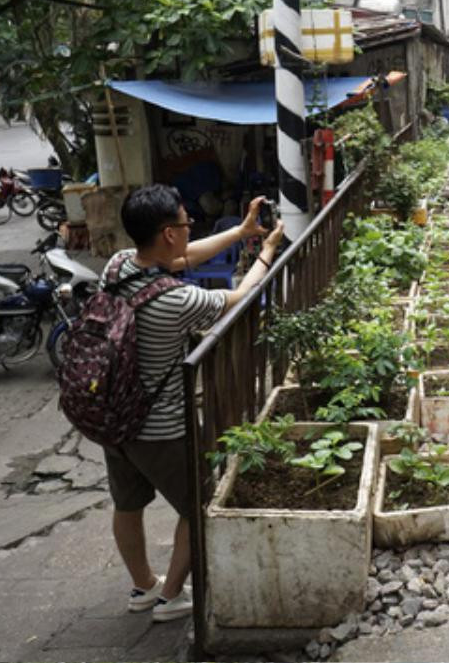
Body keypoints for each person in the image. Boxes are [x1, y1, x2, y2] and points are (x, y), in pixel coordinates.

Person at [99, 185, 284, 622]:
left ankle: (143, 587)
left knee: (127, 504)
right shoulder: (175, 301)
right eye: (185, 225)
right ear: (167, 233)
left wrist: (241, 232)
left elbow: (183, 259)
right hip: (161, 429)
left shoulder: (118, 265)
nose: (190, 229)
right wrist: (267, 251)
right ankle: (172, 597)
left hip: (114, 415)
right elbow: (238, 298)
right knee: (196, 505)